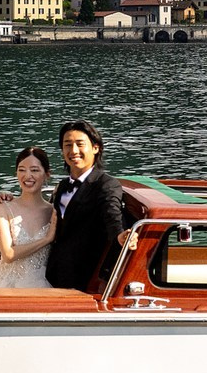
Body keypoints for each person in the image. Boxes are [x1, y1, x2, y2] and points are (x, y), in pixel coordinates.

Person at [45, 118, 141, 291]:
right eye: (67, 145)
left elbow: (112, 212)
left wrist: (120, 235)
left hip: (83, 276)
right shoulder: (63, 186)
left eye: (80, 144)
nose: (73, 150)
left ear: (95, 148)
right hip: (54, 270)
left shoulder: (106, 184)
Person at [0, 146, 58, 287]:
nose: (27, 175)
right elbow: (8, 254)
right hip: (6, 285)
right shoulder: (3, 207)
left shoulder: (53, 212)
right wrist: (46, 239)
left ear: (47, 174)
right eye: (22, 170)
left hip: (43, 285)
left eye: (34, 170)